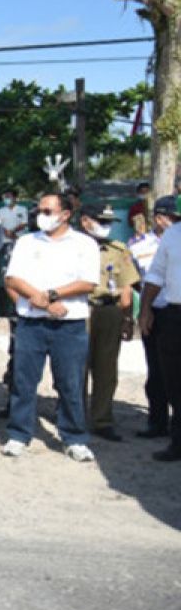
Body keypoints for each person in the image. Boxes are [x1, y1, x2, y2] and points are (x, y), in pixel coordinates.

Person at [2, 193, 99, 461]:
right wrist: (44, 303)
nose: (40, 215)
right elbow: (13, 279)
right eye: (39, 210)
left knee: (70, 383)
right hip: (31, 323)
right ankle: (19, 434)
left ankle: (74, 437)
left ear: (65, 214)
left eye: (47, 210)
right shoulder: (26, 242)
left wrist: (52, 295)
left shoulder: (84, 244)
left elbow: (88, 283)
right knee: (23, 381)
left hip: (69, 325)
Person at [79, 204, 138, 442]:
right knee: (76, 367)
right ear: (85, 221)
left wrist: (127, 318)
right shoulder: (70, 247)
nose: (106, 227)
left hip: (109, 311)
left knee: (106, 368)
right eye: (100, 221)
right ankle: (74, 417)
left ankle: (102, 419)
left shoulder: (118, 249)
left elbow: (126, 287)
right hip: (79, 309)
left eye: (108, 223)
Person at [139, 195, 181, 460]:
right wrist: (145, 310)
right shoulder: (173, 235)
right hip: (175, 316)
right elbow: (155, 275)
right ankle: (178, 443)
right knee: (174, 380)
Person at [0, 190, 30, 316]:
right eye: (5, 197)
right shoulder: (0, 211)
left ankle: (17, 307)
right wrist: (7, 232)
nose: (7, 199)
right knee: (4, 273)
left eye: (9, 197)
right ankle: (1, 308)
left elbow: (24, 223)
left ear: (15, 198)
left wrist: (13, 231)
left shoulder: (22, 209)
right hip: (4, 243)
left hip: (18, 242)